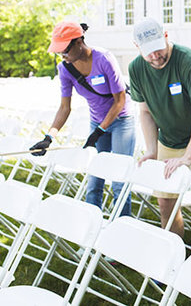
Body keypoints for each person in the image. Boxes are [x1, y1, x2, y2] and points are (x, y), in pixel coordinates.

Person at [128, 18, 191, 249]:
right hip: (170, 138)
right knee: (165, 200)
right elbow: (145, 112)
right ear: (137, 47)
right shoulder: (136, 68)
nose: (155, 56)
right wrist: (152, 149)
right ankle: (174, 251)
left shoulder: (190, 62)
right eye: (148, 52)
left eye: (158, 49)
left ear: (166, 36)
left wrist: (188, 157)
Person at [30, 21, 136, 216]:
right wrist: (48, 138)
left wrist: (100, 130)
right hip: (97, 122)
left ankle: (122, 228)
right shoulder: (65, 69)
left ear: (79, 41)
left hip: (121, 120)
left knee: (120, 180)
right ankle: (90, 231)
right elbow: (64, 107)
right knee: (95, 180)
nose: (62, 56)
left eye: (65, 50)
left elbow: (119, 101)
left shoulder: (104, 59)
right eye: (59, 52)